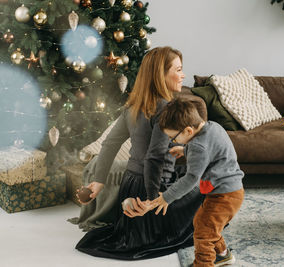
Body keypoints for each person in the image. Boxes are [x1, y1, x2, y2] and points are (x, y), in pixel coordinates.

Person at [75, 46, 204, 260]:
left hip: (129, 187)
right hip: (152, 189)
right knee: (207, 187)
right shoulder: (167, 109)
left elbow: (109, 144)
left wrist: (98, 182)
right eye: (178, 70)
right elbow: (153, 158)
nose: (183, 75)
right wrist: (154, 201)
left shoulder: (133, 106)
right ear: (161, 75)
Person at [153, 97, 244, 267]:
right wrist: (185, 149)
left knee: (204, 233)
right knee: (204, 223)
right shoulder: (212, 126)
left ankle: (203, 264)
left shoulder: (197, 147)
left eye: (174, 137)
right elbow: (208, 147)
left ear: (188, 130)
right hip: (231, 190)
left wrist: (167, 197)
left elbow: (191, 178)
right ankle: (223, 255)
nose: (173, 141)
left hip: (224, 195)